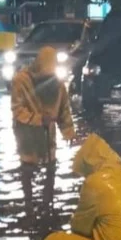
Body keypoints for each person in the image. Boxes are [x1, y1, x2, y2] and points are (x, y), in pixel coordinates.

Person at [11, 46, 75, 220]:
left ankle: (46, 204)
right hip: (27, 135)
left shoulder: (58, 84)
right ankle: (29, 206)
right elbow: (17, 110)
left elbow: (64, 110)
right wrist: (38, 119)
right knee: (28, 169)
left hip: (48, 134)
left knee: (51, 168)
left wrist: (68, 132)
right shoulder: (20, 81)